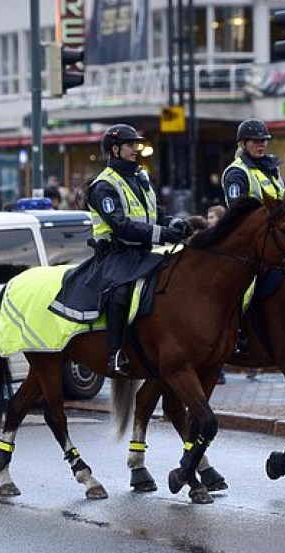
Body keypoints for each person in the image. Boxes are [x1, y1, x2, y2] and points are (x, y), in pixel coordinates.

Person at [50, 124, 191, 377]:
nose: (135, 149)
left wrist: (174, 222)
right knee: (120, 291)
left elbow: (155, 215)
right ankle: (115, 353)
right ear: (115, 149)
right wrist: (163, 234)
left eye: (136, 144)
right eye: (130, 145)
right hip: (116, 255)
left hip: (143, 252)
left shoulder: (141, 179)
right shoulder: (103, 186)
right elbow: (121, 225)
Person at [221, 118, 285, 206]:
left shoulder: (272, 167)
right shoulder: (236, 173)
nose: (261, 144)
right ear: (243, 144)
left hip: (279, 218)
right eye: (255, 141)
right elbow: (237, 208)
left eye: (263, 140)